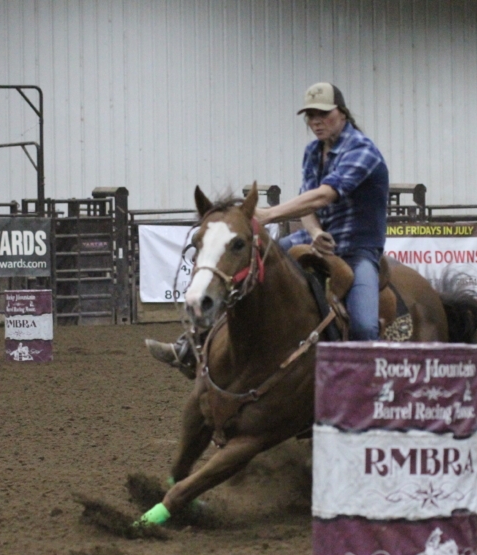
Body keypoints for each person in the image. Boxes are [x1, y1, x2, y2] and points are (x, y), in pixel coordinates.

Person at [146, 82, 389, 374]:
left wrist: (271, 214)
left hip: (357, 249)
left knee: (364, 325)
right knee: (244, 267)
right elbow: (308, 202)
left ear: (342, 113)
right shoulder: (313, 151)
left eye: (324, 114)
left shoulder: (362, 150)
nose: (316, 121)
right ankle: (193, 344)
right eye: (311, 115)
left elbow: (324, 195)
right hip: (313, 239)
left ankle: (368, 381)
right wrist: (314, 232)